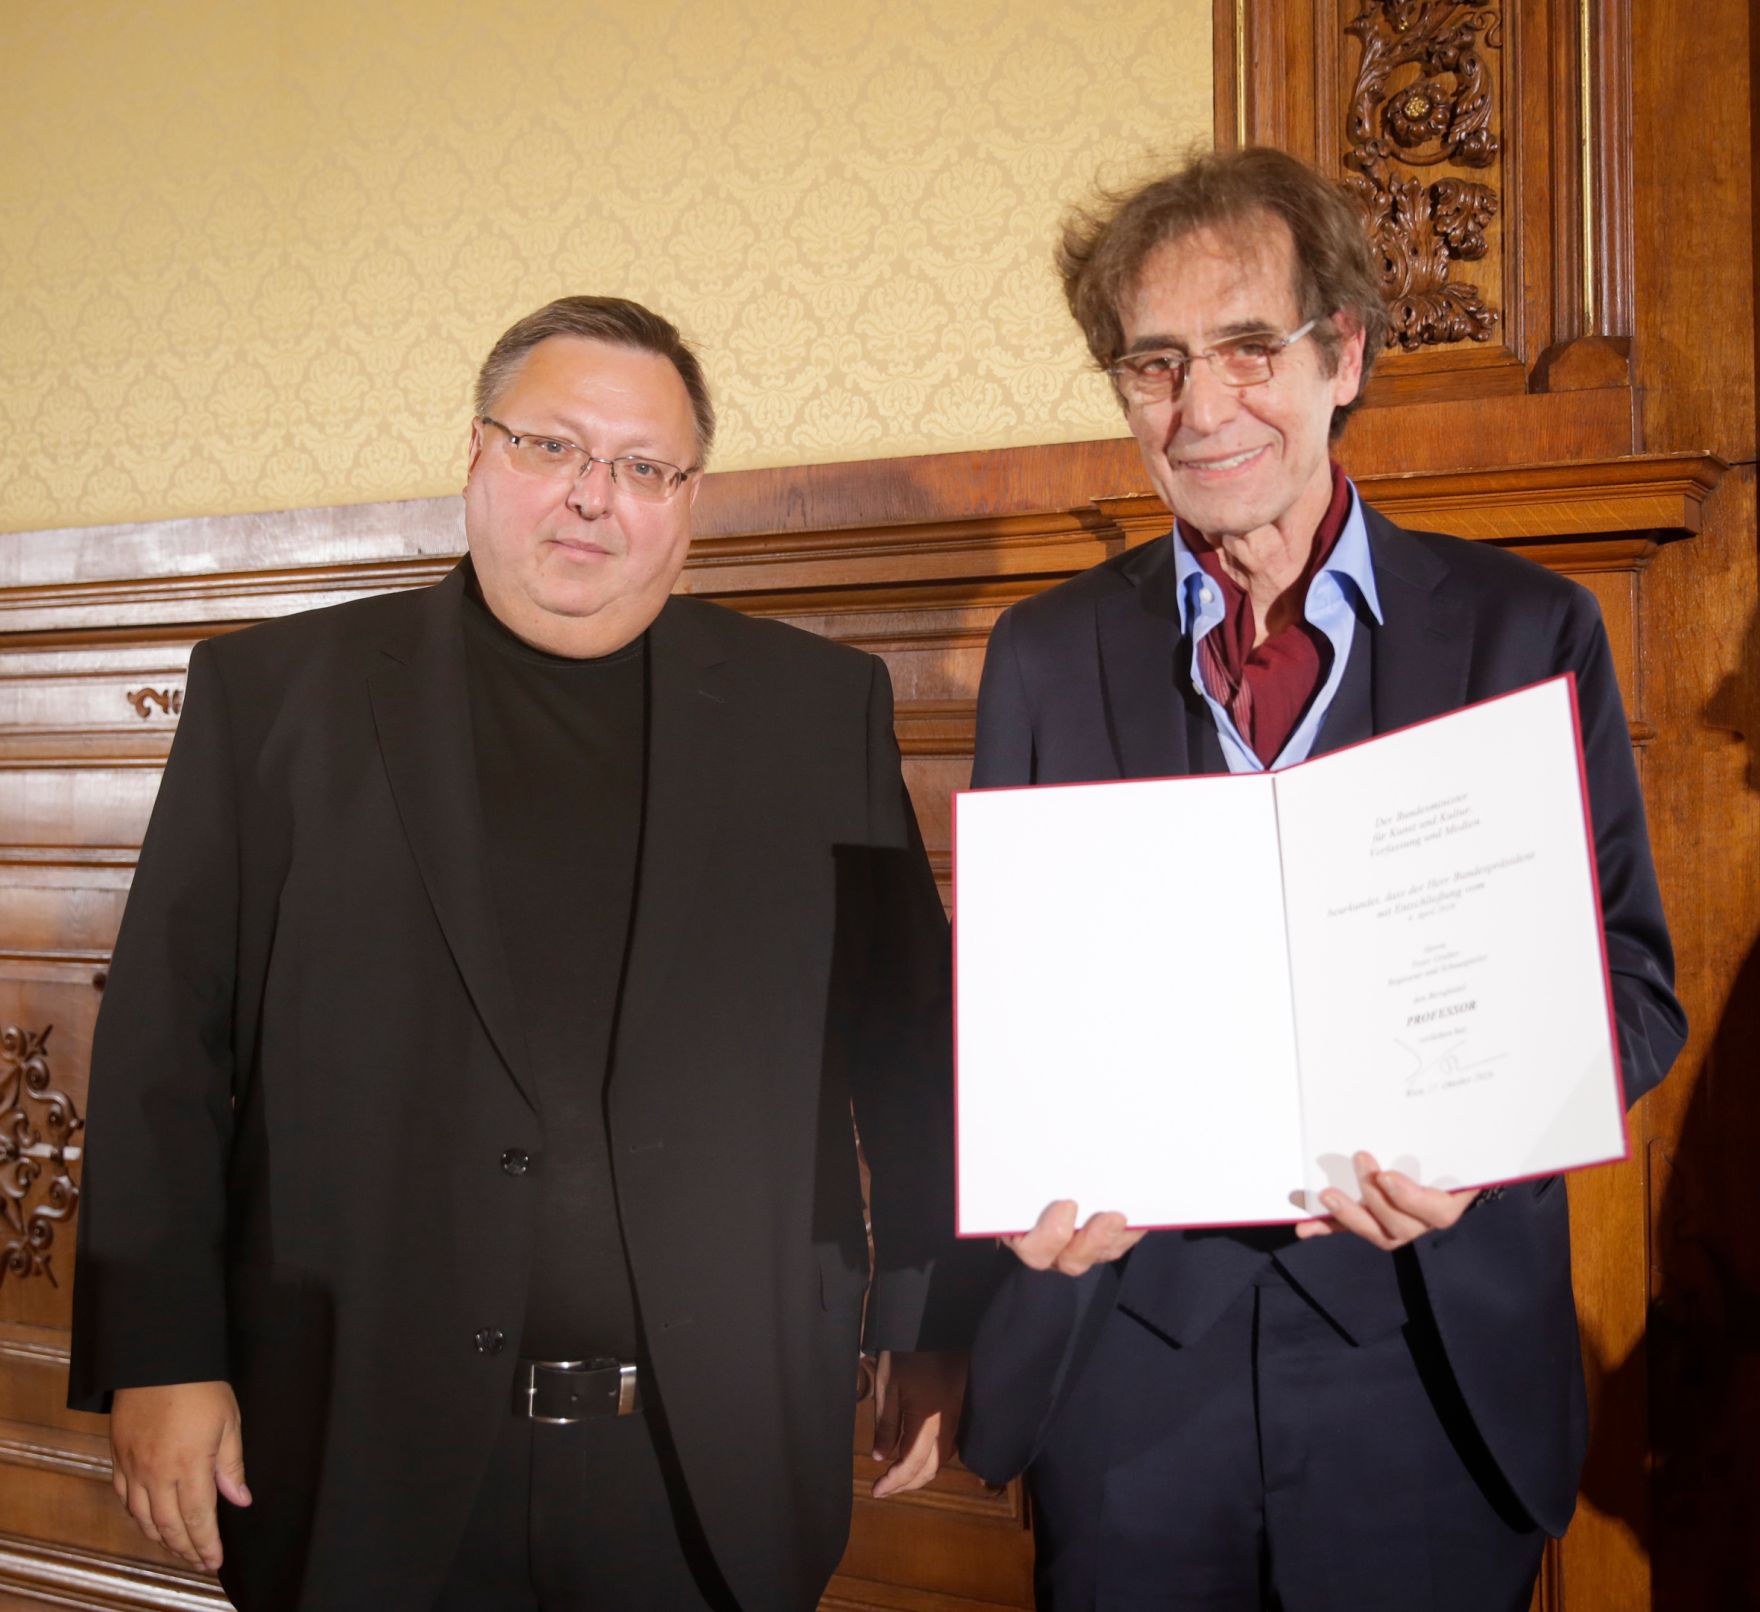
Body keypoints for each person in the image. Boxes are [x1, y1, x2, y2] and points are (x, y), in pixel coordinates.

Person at [69, 295, 980, 1611]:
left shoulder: (813, 713)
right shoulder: (272, 700)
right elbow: (163, 1050)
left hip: (711, 1462)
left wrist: (929, 1315)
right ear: (480, 456)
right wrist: (161, 1355)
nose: (590, 497)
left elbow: (912, 1050)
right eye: (550, 447)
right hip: (358, 1448)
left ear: (687, 500)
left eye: (641, 467)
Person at [956, 148, 1686, 1612]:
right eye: (1154, 365)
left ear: (1342, 354)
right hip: (1129, 1379)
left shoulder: (1523, 632)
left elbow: (1633, 988)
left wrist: (1489, 1140)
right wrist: (1025, 1165)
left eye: (1247, 349)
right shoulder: (1045, 655)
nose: (1202, 407)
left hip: (1424, 1374)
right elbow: (1019, 1007)